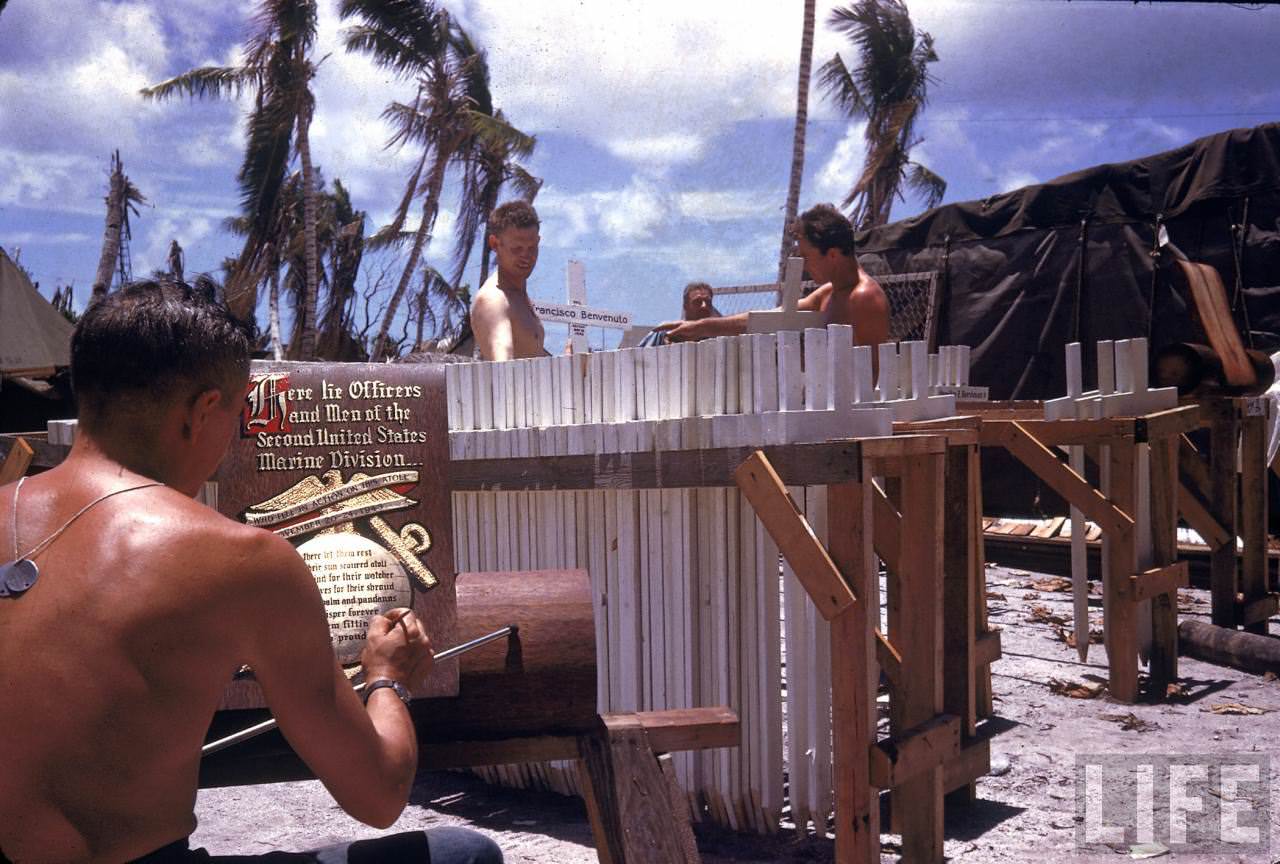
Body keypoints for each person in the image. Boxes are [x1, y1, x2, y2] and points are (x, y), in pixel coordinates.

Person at [0, 279, 502, 864]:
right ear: (203, 410)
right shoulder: (238, 558)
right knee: (465, 853)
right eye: (238, 417)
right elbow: (379, 792)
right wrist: (389, 679)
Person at [656, 204, 890, 349]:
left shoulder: (864, 299)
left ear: (832, 255)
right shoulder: (829, 293)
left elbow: (868, 380)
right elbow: (766, 318)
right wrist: (700, 326)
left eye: (806, 256)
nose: (805, 266)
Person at [470, 201, 549, 361]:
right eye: (517, 249)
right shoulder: (494, 301)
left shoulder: (518, 296)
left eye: (532, 247)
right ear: (494, 244)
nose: (526, 256)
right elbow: (504, 366)